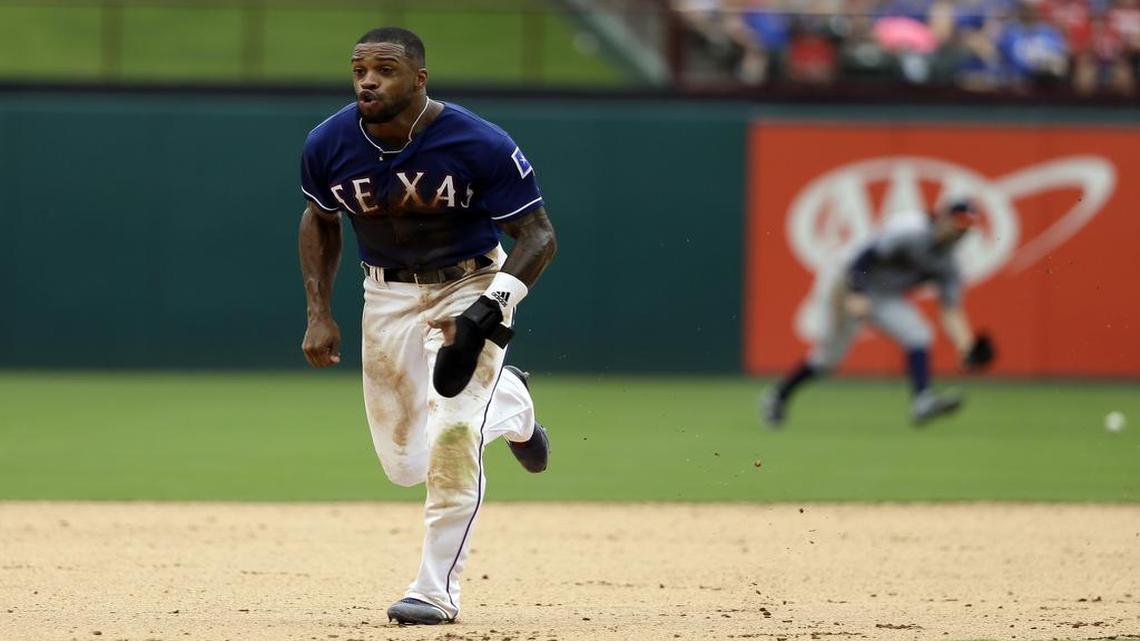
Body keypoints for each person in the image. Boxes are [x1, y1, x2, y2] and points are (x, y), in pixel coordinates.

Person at [297, 27, 557, 625]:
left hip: (469, 281)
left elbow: (539, 234)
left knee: (452, 437)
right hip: (384, 292)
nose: (368, 80)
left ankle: (434, 591)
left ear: (419, 79)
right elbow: (319, 219)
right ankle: (515, 405)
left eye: (384, 70)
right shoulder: (328, 142)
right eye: (359, 68)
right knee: (403, 465)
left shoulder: (477, 141)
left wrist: (489, 308)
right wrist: (318, 311)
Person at [762, 199, 981, 427]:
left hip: (882, 294)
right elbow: (864, 256)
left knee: (918, 335)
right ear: (944, 217)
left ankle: (923, 401)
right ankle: (777, 396)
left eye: (966, 228)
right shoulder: (912, 229)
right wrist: (856, 293)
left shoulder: (949, 263)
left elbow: (950, 309)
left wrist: (965, 346)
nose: (960, 232)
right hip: (846, 279)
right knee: (829, 356)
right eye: (958, 224)